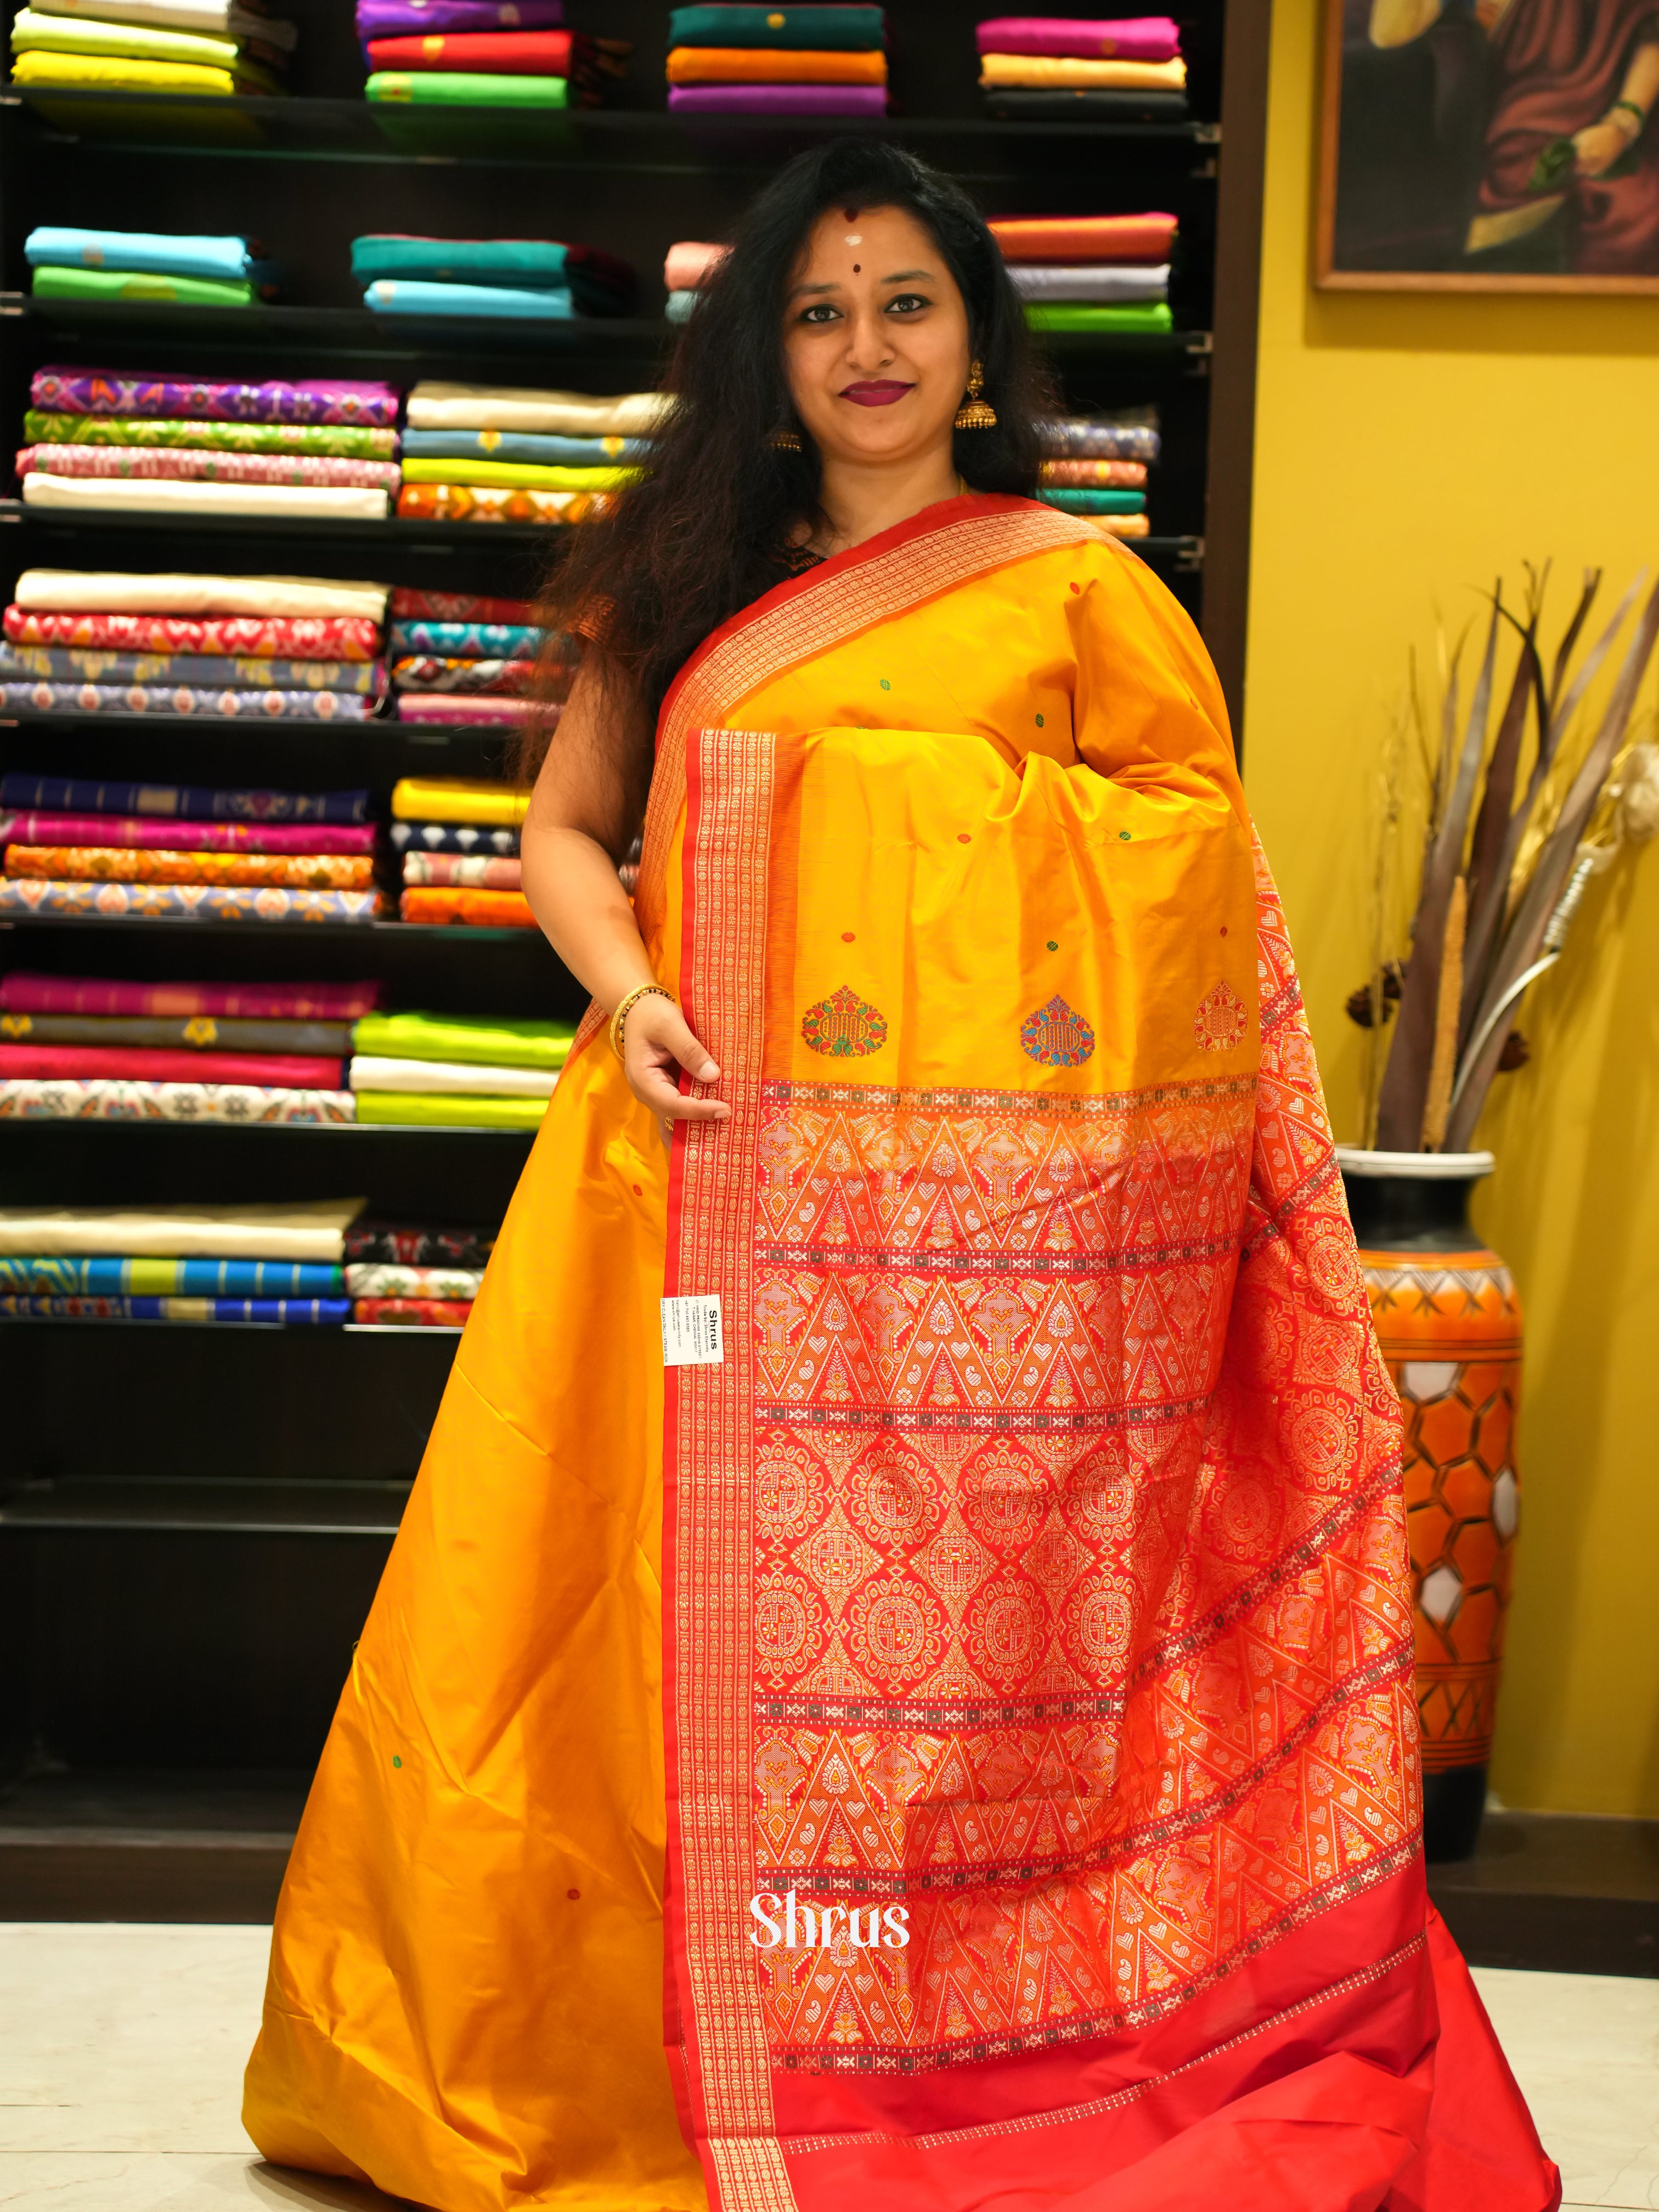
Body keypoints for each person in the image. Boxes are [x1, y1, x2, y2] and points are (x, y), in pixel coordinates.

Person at [244, 140, 1559, 2212]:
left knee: (948, 1672)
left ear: (972, 346)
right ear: (768, 360)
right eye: (817, 310)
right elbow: (567, 838)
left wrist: (872, 820)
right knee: (601, 1613)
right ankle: (610, 2050)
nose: (864, 346)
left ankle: (925, 2033)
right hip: (682, 1177)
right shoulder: (681, 578)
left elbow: (1189, 878)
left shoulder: (1077, 588)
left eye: (905, 304)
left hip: (987, 1274)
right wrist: (636, 988)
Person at [1371, 0, 1659, 270]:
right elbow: (1387, 35)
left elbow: (1651, 26)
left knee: (1635, 211)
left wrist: (1622, 124)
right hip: (1488, 135)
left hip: (1598, 123)